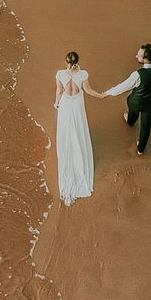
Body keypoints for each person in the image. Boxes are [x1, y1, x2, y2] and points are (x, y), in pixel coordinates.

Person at [54, 51, 104, 205]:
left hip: (66, 104)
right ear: (77, 61)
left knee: (66, 129)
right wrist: (100, 95)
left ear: (66, 62)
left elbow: (59, 91)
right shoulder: (83, 74)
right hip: (77, 104)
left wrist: (56, 102)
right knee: (78, 127)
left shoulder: (60, 74)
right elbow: (88, 90)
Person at [103, 43, 151, 154]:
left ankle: (130, 122)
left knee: (132, 114)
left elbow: (122, 87)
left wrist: (108, 93)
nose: (136, 56)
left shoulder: (137, 74)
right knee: (146, 126)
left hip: (136, 102)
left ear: (145, 60)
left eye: (138, 55)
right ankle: (140, 149)